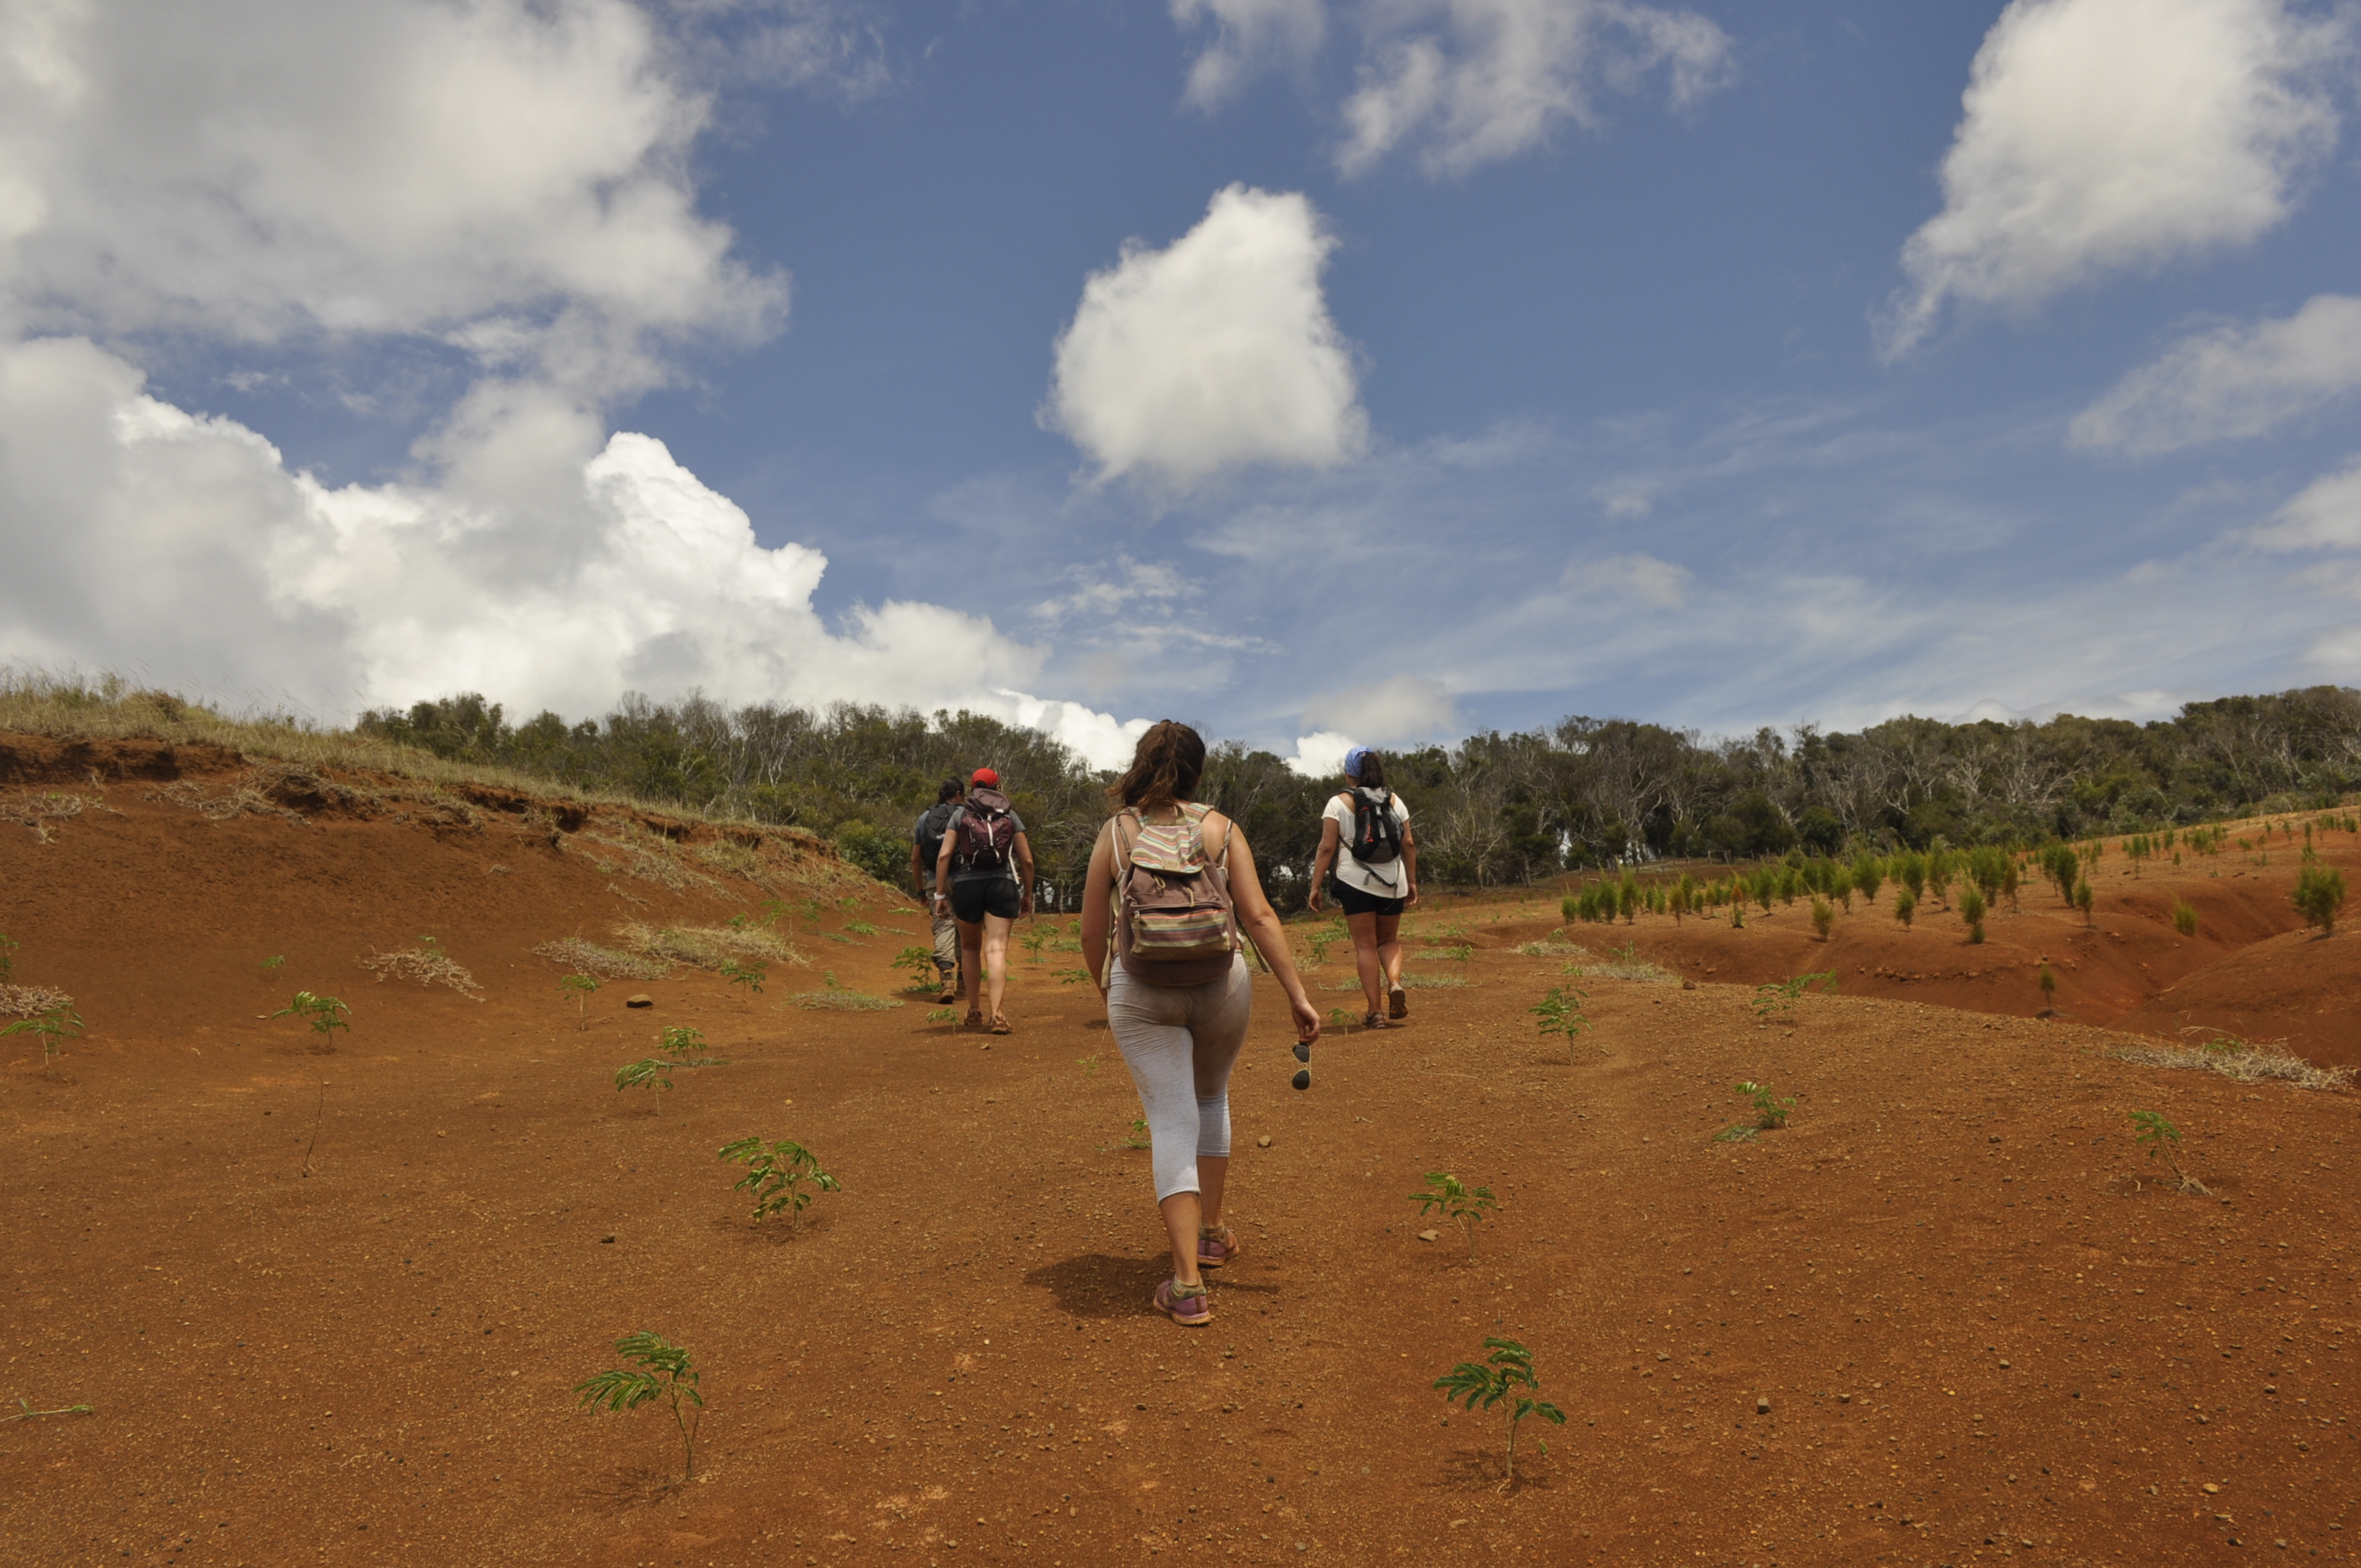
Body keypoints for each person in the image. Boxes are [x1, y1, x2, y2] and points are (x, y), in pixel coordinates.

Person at [1081, 721, 1321, 1327]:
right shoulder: (1222, 828)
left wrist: (1111, 987)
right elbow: (1259, 916)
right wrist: (1297, 994)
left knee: (1169, 1119)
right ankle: (1212, 1233)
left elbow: (1089, 931)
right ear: (1197, 769)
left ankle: (1186, 1284)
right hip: (1222, 986)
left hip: (1143, 990)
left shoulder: (1116, 833)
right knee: (1211, 1098)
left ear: (1141, 765)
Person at [1308, 746, 1418, 1028]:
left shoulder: (1337, 803)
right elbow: (1408, 844)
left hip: (1355, 883)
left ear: (1348, 774)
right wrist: (1413, 881)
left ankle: (1375, 1012)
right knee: (1389, 941)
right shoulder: (1395, 800)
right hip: (1395, 882)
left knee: (1365, 946)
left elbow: (1326, 847)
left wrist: (1316, 886)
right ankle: (1394, 983)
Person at [932, 767, 1034, 1035]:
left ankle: (974, 1011)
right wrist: (1028, 895)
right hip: (1002, 884)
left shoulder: (959, 814)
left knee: (969, 949)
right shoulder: (1009, 814)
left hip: (967, 884)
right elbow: (1027, 860)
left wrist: (940, 895)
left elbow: (944, 856)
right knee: (997, 949)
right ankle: (998, 1016)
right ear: (997, 785)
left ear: (972, 786)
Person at [910, 778, 966, 1006]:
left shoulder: (925, 818)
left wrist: (921, 891)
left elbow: (916, 859)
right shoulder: (969, 814)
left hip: (936, 880)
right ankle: (965, 980)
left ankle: (946, 979)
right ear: (959, 794)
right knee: (967, 927)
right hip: (967, 879)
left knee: (943, 926)